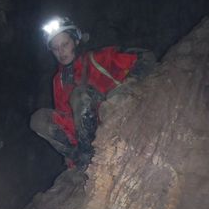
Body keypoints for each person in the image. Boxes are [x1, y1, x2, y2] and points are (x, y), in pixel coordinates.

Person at [31, 16, 155, 170]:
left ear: (76, 41)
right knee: (39, 119)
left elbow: (144, 56)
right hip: (84, 137)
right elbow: (65, 119)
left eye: (65, 44)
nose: (60, 51)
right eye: (55, 48)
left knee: (80, 94)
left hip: (110, 116)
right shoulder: (59, 81)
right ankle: (80, 159)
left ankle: (89, 153)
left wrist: (129, 85)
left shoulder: (98, 58)